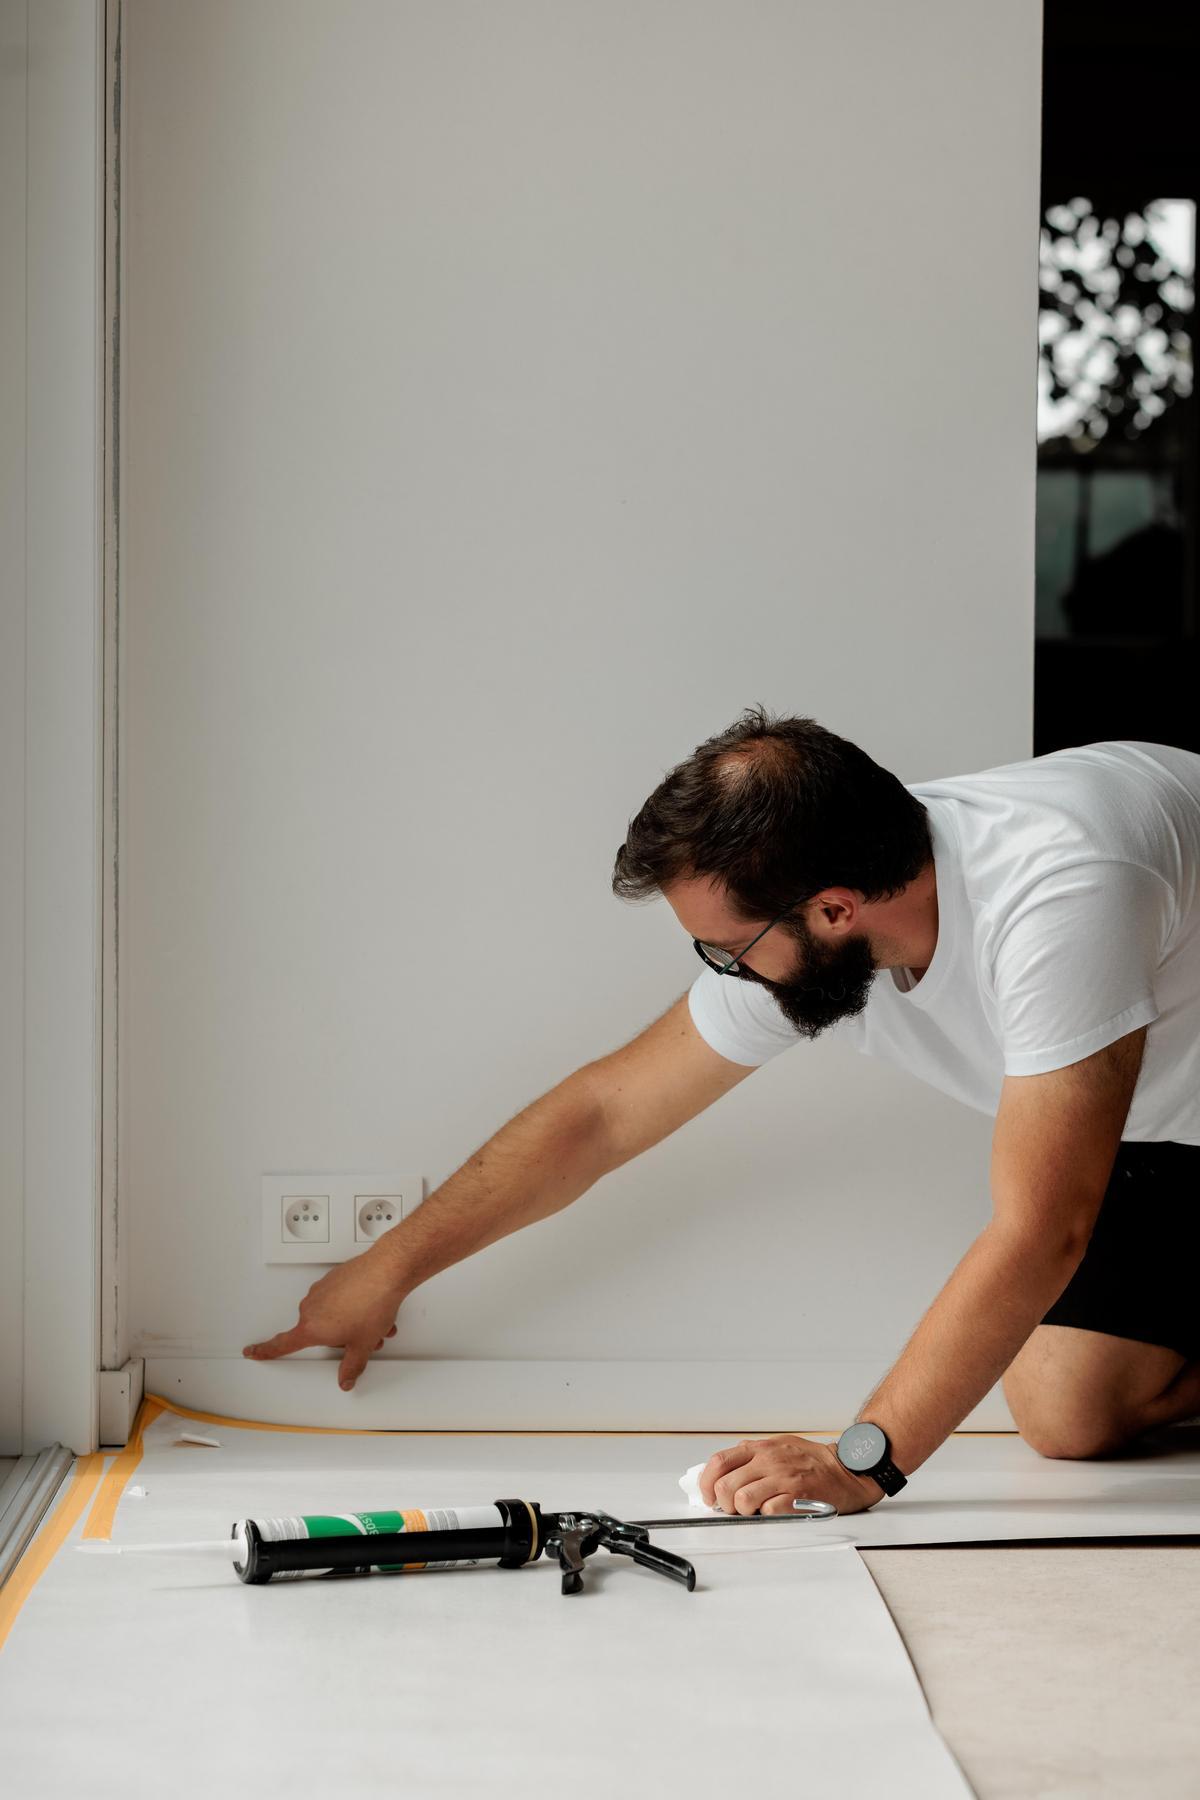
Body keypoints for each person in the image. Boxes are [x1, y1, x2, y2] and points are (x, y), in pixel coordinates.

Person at [244, 708, 1200, 1517]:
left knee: (1051, 1316)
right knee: (1068, 1412)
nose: (725, 974)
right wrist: (385, 1269)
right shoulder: (836, 897)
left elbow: (1042, 1227)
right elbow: (605, 1112)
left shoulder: (1062, 895)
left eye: (726, 949)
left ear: (832, 911)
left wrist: (858, 1463)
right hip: (1156, 1107)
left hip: (1158, 1080)